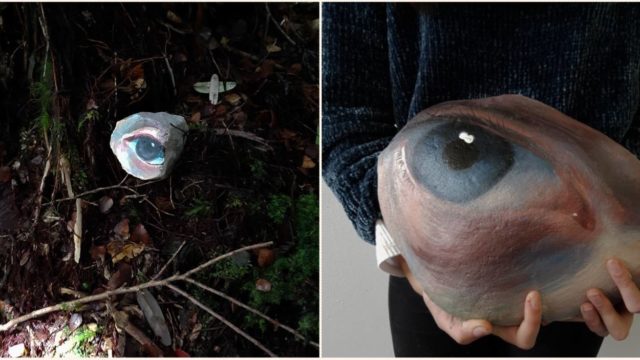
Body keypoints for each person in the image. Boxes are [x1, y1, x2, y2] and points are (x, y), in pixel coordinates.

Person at [322, 3, 640, 356]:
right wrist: (407, 257)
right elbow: (342, 117)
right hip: (432, 271)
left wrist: (630, 250)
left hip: (587, 282)